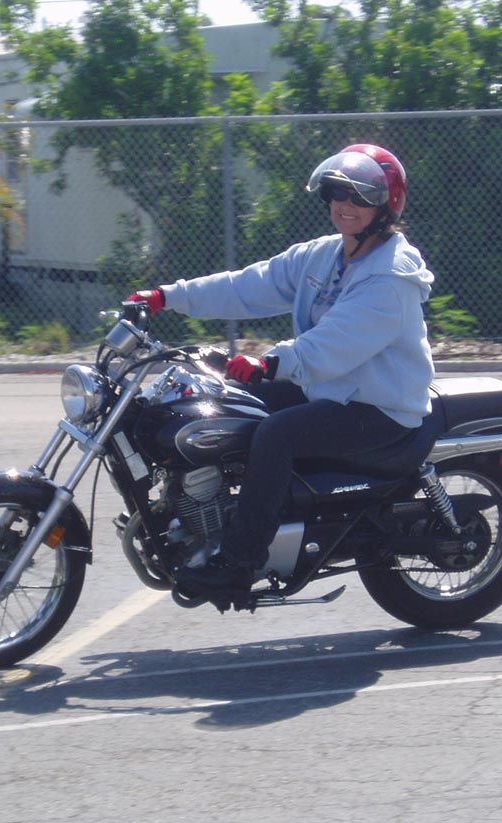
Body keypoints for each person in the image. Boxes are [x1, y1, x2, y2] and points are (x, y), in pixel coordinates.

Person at [124, 143, 435, 606]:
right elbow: (250, 285)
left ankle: (239, 561)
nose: (344, 205)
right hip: (327, 391)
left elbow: (336, 342)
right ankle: (202, 518)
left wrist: (270, 363)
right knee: (224, 404)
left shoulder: (391, 276)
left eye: (360, 196)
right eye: (337, 193)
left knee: (277, 434)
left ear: (386, 205)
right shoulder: (324, 256)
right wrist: (167, 297)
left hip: (380, 407)